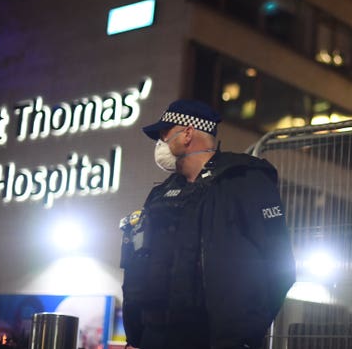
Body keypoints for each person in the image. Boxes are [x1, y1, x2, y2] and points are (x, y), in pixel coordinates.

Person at [119, 99, 296, 349]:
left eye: (165, 133)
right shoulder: (160, 196)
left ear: (188, 133)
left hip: (216, 341)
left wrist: (242, 335)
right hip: (155, 339)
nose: (160, 143)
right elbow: (140, 266)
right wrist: (135, 336)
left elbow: (280, 266)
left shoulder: (243, 181)